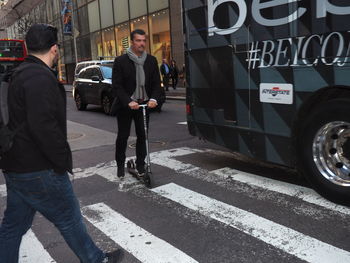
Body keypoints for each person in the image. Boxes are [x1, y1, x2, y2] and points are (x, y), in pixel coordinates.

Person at [0, 24, 123, 263]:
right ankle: (96, 260)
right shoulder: (39, 78)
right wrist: (61, 163)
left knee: (13, 226)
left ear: (28, 47)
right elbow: (44, 127)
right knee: (69, 217)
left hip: (17, 166)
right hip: (39, 168)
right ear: (54, 49)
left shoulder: (20, 73)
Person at [112, 29, 162, 178]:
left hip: (143, 105)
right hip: (126, 106)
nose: (142, 43)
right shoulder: (121, 61)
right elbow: (117, 86)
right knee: (123, 136)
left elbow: (155, 84)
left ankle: (141, 164)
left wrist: (153, 99)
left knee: (142, 135)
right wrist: (128, 101)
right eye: (138, 40)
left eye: (144, 40)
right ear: (132, 42)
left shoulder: (151, 60)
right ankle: (120, 165)